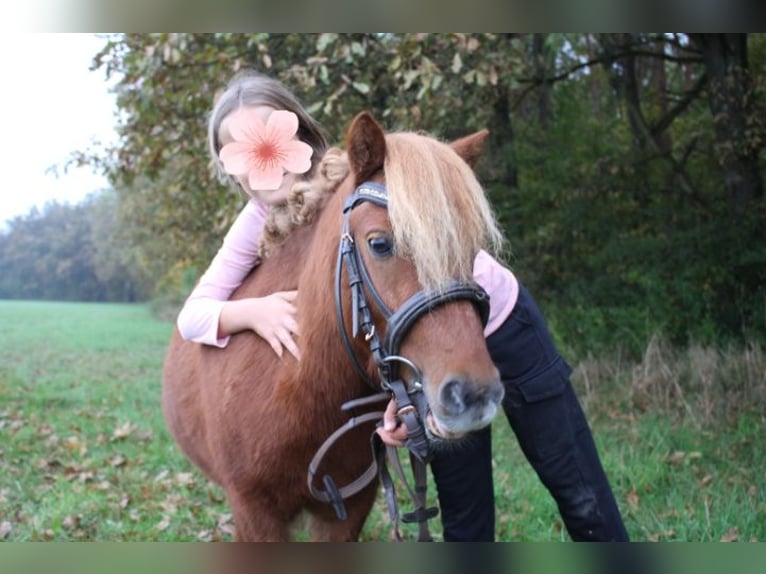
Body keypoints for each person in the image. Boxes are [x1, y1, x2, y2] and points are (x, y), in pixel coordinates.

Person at [178, 70, 629, 542]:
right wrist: (251, 311)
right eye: (243, 151)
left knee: (576, 484)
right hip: (429, 340)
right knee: (464, 508)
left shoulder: (361, 176)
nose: (263, 160)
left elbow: (404, 268)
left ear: (302, 134)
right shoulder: (255, 222)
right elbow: (366, 315)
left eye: (270, 138)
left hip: (498, 318)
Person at [376, 256, 630, 542]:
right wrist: (401, 391)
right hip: (436, 345)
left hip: (503, 318)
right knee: (464, 514)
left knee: (580, 490)